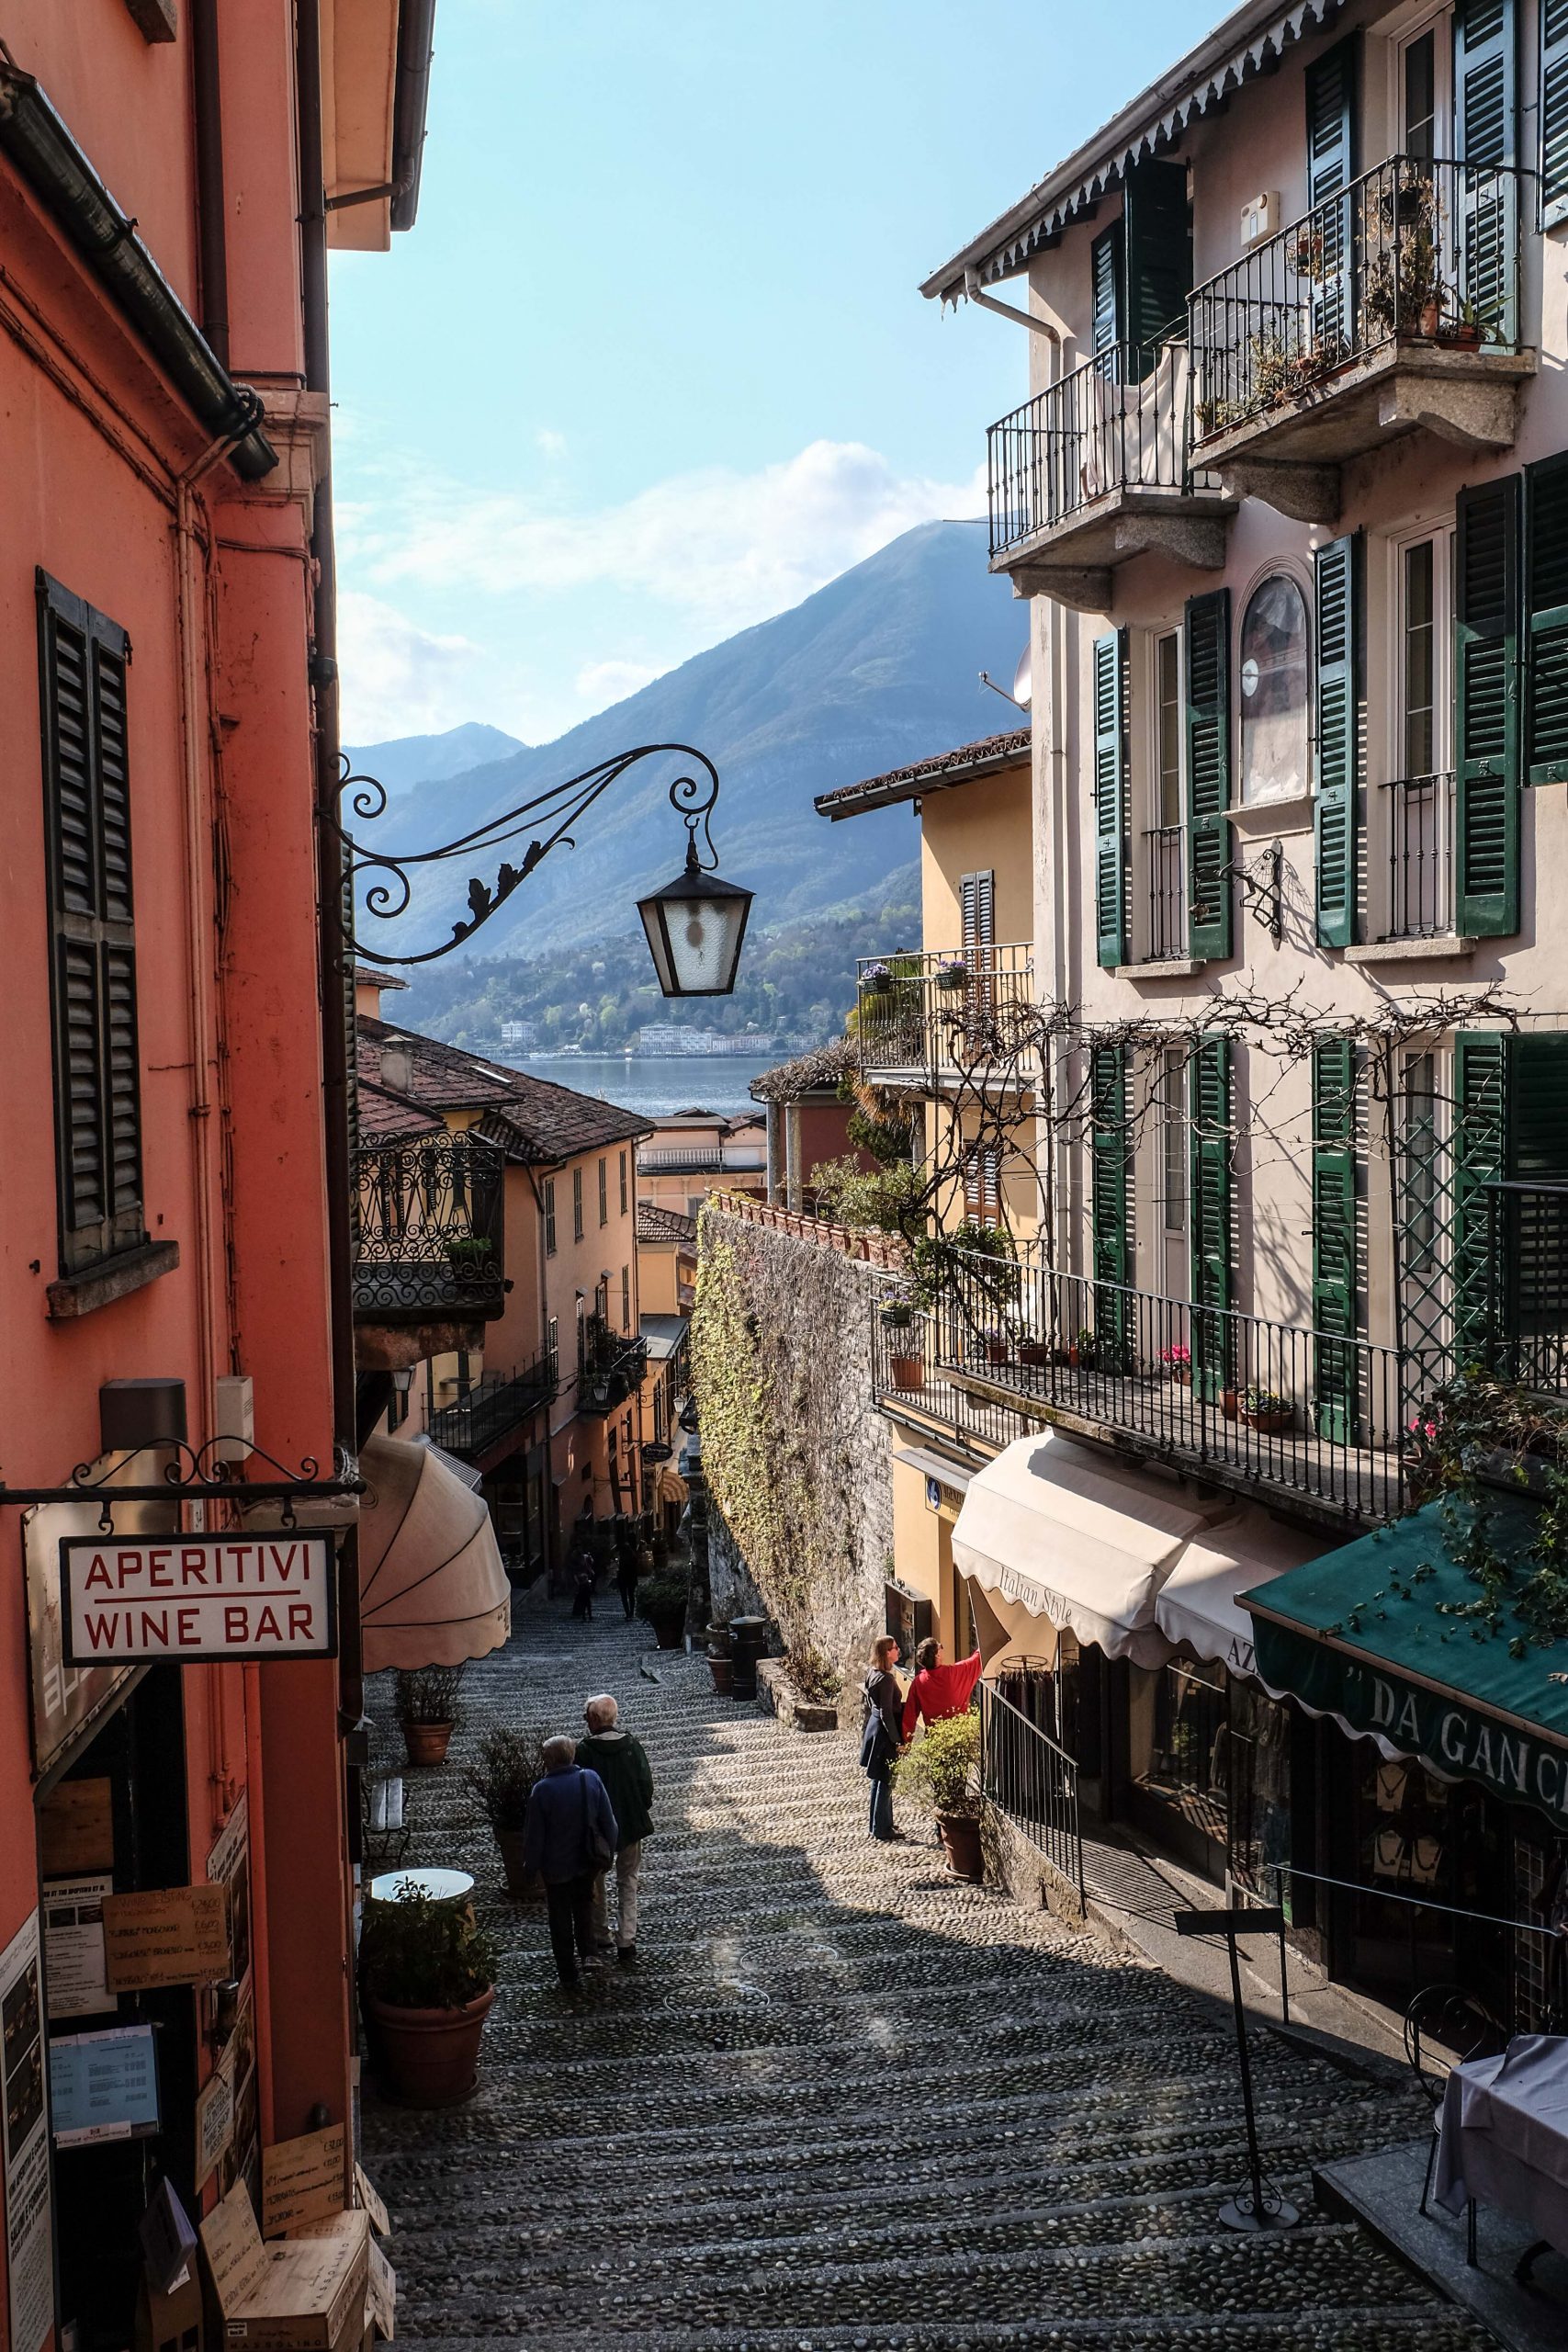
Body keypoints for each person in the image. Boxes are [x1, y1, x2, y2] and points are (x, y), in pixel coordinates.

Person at [520, 1735, 618, 1991]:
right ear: (572, 1755)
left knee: (560, 1916)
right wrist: (608, 1856)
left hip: (556, 1868)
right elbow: (609, 1823)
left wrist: (530, 1869)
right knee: (584, 1905)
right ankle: (589, 1953)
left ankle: (567, 1971)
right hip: (587, 1861)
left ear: (548, 1761)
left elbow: (534, 1836)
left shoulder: (541, 1790)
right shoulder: (590, 1778)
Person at [576, 1693, 654, 1967]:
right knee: (628, 1881)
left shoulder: (584, 1751)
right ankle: (627, 1940)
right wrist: (640, 1806)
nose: (586, 1722)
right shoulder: (632, 1745)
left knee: (595, 1883)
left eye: (587, 1717)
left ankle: (600, 1934)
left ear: (595, 1719)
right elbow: (646, 1786)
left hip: (596, 1830)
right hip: (631, 1825)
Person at [860, 1635, 905, 1842]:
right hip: (885, 1733)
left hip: (875, 1728)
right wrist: (897, 1740)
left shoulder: (873, 1672)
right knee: (886, 1780)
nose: (898, 1650)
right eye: (895, 1648)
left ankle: (879, 1822)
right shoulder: (886, 1679)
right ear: (887, 1652)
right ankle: (881, 1828)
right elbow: (887, 1712)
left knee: (879, 1779)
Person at [900, 1634, 983, 1742]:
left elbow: (910, 1715)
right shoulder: (954, 1674)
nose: (942, 1648)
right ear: (937, 1656)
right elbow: (977, 1660)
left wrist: (906, 1742)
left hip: (935, 1741)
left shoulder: (918, 1682)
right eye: (940, 1647)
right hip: (961, 1737)